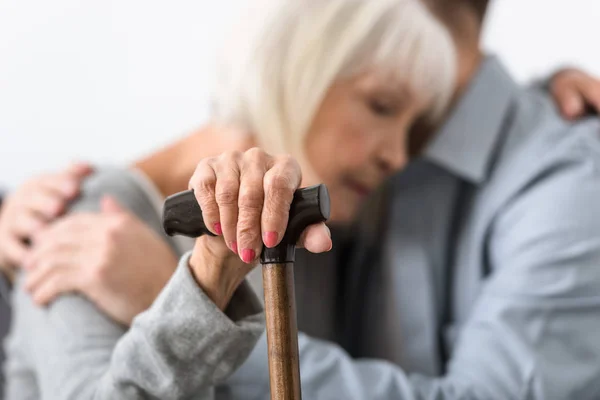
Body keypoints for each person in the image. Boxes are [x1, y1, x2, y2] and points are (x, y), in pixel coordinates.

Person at [3, 0, 600, 399]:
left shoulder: (320, 227)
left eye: (419, 126)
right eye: (383, 107)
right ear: (304, 70)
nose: (398, 155)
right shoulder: (82, 222)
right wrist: (190, 303)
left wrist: (177, 300)